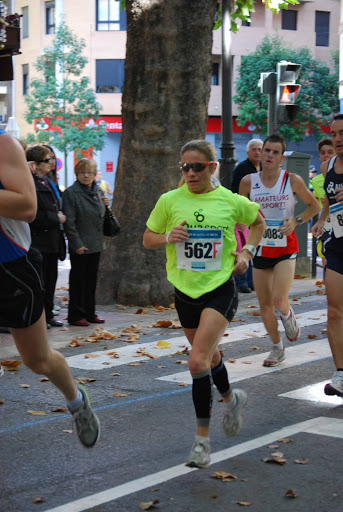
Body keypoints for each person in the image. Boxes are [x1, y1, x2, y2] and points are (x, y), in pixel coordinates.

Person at [143, 140, 265, 468]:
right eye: (185, 167)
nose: (191, 173)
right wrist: (167, 237)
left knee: (197, 362)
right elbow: (147, 237)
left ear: (212, 167)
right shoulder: (170, 200)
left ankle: (201, 442)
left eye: (197, 167)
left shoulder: (229, 200)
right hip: (184, 292)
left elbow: (258, 223)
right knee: (210, 357)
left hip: (219, 289)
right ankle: (231, 398)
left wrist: (247, 252)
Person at [0, 129, 100, 446]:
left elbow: (28, 206)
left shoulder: (4, 146)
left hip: (10, 268)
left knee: (37, 359)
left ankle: (75, 399)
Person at [239, 134, 320, 367]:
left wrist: (296, 221)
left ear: (281, 157)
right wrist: (244, 225)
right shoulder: (248, 181)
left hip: (286, 246)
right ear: (261, 153)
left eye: (275, 152)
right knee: (264, 303)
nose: (269, 155)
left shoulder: (291, 180)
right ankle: (276, 347)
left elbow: (314, 205)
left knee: (278, 299)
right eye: (266, 151)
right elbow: (238, 210)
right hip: (260, 247)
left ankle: (288, 315)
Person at [311, 114, 343, 397]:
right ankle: (340, 374)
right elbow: (328, 204)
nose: (338, 138)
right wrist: (322, 220)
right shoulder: (326, 167)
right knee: (334, 311)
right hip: (338, 247)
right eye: (334, 133)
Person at [63, 158, 109, 326]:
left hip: (95, 242)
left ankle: (90, 312)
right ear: (77, 174)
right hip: (81, 244)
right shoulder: (71, 193)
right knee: (78, 281)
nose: (86, 176)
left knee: (91, 281)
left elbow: (101, 215)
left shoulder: (97, 191)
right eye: (82, 173)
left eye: (89, 173)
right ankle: (76, 315)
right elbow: (69, 221)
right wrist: (76, 244)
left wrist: (105, 205)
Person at [25, 145, 65, 328]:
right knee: (39, 282)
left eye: (52, 159)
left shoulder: (49, 182)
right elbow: (32, 214)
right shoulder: (30, 184)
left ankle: (48, 314)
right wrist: (54, 218)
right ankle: (39, 318)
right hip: (38, 240)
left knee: (51, 280)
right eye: (47, 160)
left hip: (52, 240)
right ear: (35, 164)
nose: (51, 163)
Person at [231, 139, 263, 294]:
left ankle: (252, 281)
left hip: (260, 214)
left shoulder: (264, 168)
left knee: (254, 247)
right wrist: (240, 217)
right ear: (248, 152)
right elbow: (234, 193)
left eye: (260, 149)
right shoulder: (241, 169)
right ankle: (242, 281)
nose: (258, 152)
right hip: (244, 214)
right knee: (242, 246)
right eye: (254, 149)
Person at [311, 138, 336, 266]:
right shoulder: (316, 181)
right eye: (322, 152)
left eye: (330, 152)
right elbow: (316, 205)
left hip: (340, 224)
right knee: (327, 259)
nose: (326, 155)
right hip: (327, 226)